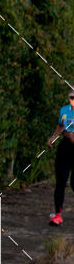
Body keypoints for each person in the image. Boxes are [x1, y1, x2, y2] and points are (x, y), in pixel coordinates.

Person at [47, 90, 74, 226]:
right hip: (65, 148)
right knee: (60, 182)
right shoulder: (64, 110)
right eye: (71, 97)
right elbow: (61, 125)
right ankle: (57, 215)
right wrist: (53, 137)